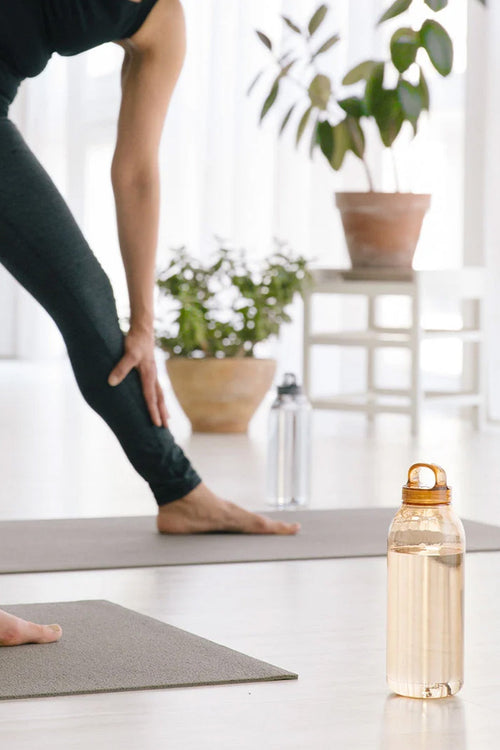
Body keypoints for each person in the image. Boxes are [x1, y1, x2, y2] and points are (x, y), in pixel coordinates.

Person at [0, 0, 300, 646]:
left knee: (87, 297)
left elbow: (136, 172)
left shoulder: (163, 20)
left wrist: (143, 322)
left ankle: (179, 490)